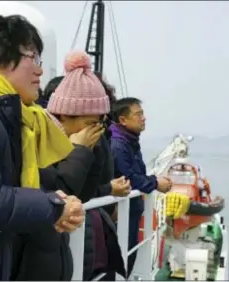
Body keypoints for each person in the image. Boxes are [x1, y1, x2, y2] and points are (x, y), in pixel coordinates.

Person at [0, 15, 84, 281]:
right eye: (32, 57)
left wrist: (51, 199)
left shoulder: (5, 113)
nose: (40, 71)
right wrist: (53, 207)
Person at [46, 50, 128, 280]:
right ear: (65, 115)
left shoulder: (86, 141)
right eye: (90, 123)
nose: (96, 130)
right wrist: (79, 151)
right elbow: (62, 189)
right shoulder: (41, 139)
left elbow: (85, 193)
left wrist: (93, 149)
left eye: (100, 123)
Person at [109, 97, 173, 277]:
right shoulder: (119, 144)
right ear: (123, 120)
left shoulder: (129, 141)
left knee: (128, 257)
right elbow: (128, 178)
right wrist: (155, 183)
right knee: (123, 260)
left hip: (130, 213)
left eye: (142, 113)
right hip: (122, 213)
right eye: (138, 114)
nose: (143, 118)